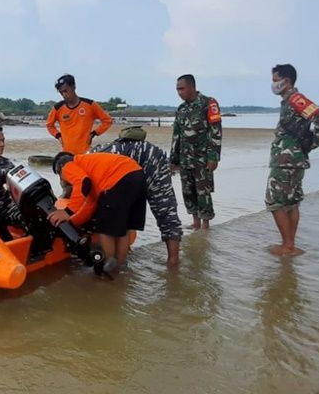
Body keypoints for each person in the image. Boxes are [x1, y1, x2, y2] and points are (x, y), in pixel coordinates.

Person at [92, 126, 183, 265]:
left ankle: (112, 268)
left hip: (132, 171)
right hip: (153, 161)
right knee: (166, 210)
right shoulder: (152, 149)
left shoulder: (95, 154)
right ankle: (173, 260)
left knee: (111, 223)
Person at [266, 64, 319, 256]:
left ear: (287, 81)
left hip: (287, 160)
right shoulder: (288, 101)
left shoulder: (296, 99)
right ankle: (290, 244)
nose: (273, 84)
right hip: (292, 159)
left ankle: (287, 246)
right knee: (291, 202)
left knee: (274, 201)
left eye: (276, 79)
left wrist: (310, 144)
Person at [48, 152, 147, 272]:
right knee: (124, 229)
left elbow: (83, 182)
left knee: (105, 230)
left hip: (118, 179)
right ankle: (119, 268)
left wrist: (66, 212)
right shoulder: (92, 168)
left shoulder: (65, 164)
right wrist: (72, 223)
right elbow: (89, 207)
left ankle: (106, 268)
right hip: (138, 175)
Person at [169, 74, 222, 230]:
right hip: (185, 159)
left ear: (192, 87)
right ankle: (195, 222)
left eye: (182, 88)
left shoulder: (208, 104)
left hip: (202, 159)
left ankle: (205, 224)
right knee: (188, 191)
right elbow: (176, 135)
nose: (179, 92)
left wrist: (214, 157)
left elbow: (216, 131)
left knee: (203, 192)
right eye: (177, 89)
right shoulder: (181, 109)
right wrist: (173, 159)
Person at [46, 74, 113, 155]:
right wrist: (58, 136)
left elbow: (107, 121)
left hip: (85, 153)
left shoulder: (90, 105)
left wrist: (94, 134)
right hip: (66, 154)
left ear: (73, 87)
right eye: (61, 92)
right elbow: (49, 125)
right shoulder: (57, 108)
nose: (64, 95)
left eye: (66, 91)